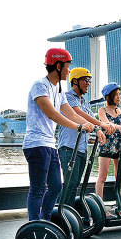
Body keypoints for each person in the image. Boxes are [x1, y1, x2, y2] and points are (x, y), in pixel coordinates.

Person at [22, 48, 95, 221]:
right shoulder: (39, 86)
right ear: (58, 65)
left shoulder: (59, 91)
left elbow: (70, 113)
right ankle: (35, 225)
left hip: (49, 145)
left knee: (56, 187)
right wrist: (79, 127)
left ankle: (45, 221)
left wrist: (91, 125)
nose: (69, 71)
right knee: (38, 189)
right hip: (36, 144)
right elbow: (52, 114)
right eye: (68, 66)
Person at [58, 67, 116, 207]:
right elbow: (77, 114)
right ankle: (61, 213)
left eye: (90, 80)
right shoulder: (68, 97)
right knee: (70, 184)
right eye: (86, 80)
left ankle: (69, 213)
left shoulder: (85, 102)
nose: (88, 83)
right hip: (69, 147)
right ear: (75, 81)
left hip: (82, 148)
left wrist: (99, 130)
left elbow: (90, 119)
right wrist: (100, 124)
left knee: (76, 184)